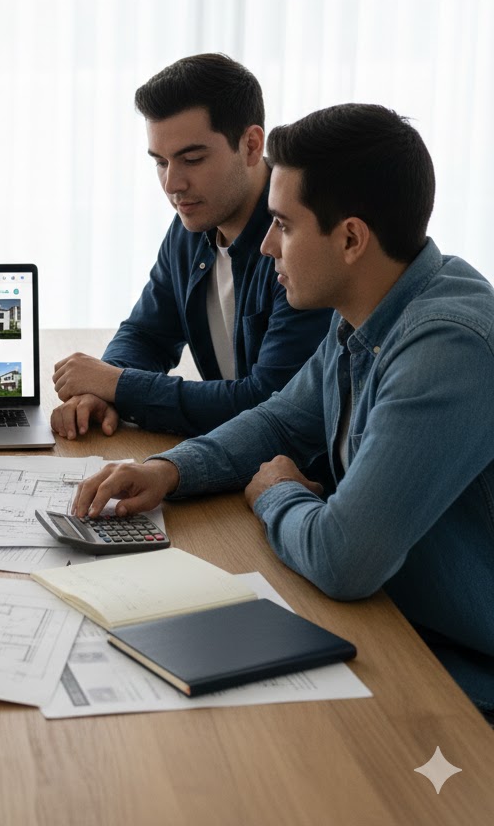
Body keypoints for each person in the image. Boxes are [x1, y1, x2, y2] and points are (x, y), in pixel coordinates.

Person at [73, 103, 494, 714]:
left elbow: (344, 558)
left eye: (284, 226)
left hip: (462, 671)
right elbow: (280, 417)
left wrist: (276, 492)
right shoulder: (369, 312)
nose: (266, 246)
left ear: (350, 238)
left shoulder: (447, 345)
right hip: (400, 631)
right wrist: (169, 470)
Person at [50, 53, 332, 442]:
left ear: (251, 145)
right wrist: (102, 389)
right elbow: (148, 334)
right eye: (160, 162)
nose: (172, 184)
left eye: (192, 159)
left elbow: (268, 404)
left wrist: (118, 385)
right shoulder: (193, 223)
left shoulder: (305, 239)